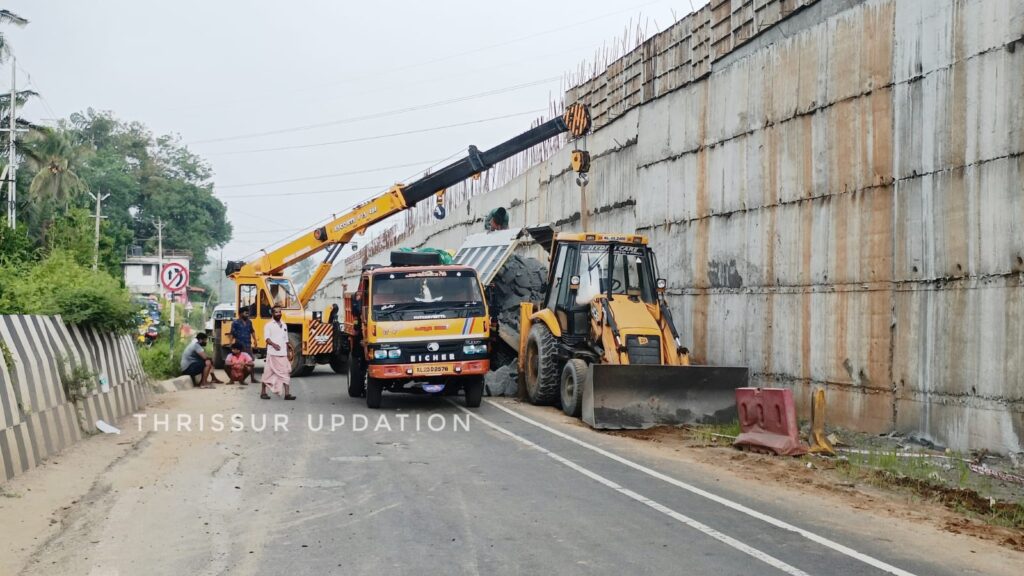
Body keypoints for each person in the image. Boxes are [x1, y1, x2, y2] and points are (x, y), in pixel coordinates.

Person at [261, 306, 296, 400]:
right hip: (272, 354)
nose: (278, 314)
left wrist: (288, 351)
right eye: (276, 312)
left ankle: (287, 394)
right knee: (267, 373)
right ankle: (263, 392)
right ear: (272, 314)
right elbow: (267, 339)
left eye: (280, 312)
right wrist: (274, 344)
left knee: (285, 373)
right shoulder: (268, 325)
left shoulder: (284, 325)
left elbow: (286, 340)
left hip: (283, 354)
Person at [229, 308, 257, 384]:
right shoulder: (235, 323)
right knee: (236, 362)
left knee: (250, 361)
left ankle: (253, 378)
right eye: (246, 313)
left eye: (248, 313)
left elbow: (252, 331)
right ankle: (233, 379)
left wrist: (255, 340)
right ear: (240, 314)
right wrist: (230, 343)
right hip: (239, 346)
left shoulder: (249, 322)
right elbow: (231, 333)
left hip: (248, 344)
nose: (247, 315)